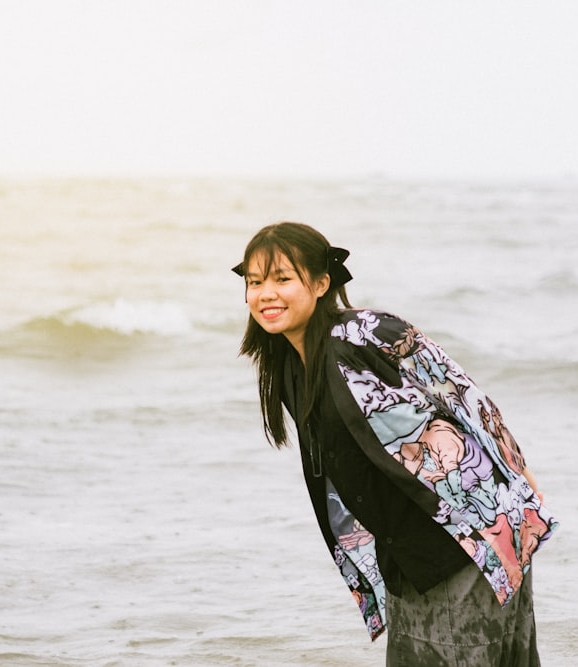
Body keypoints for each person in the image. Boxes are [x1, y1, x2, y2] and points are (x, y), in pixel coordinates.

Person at [233, 222, 557, 666]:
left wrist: (518, 469)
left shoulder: (363, 333)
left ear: (322, 282)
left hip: (463, 541)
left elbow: (459, 390)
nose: (265, 293)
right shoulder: (289, 365)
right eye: (255, 282)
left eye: (282, 278)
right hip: (408, 557)